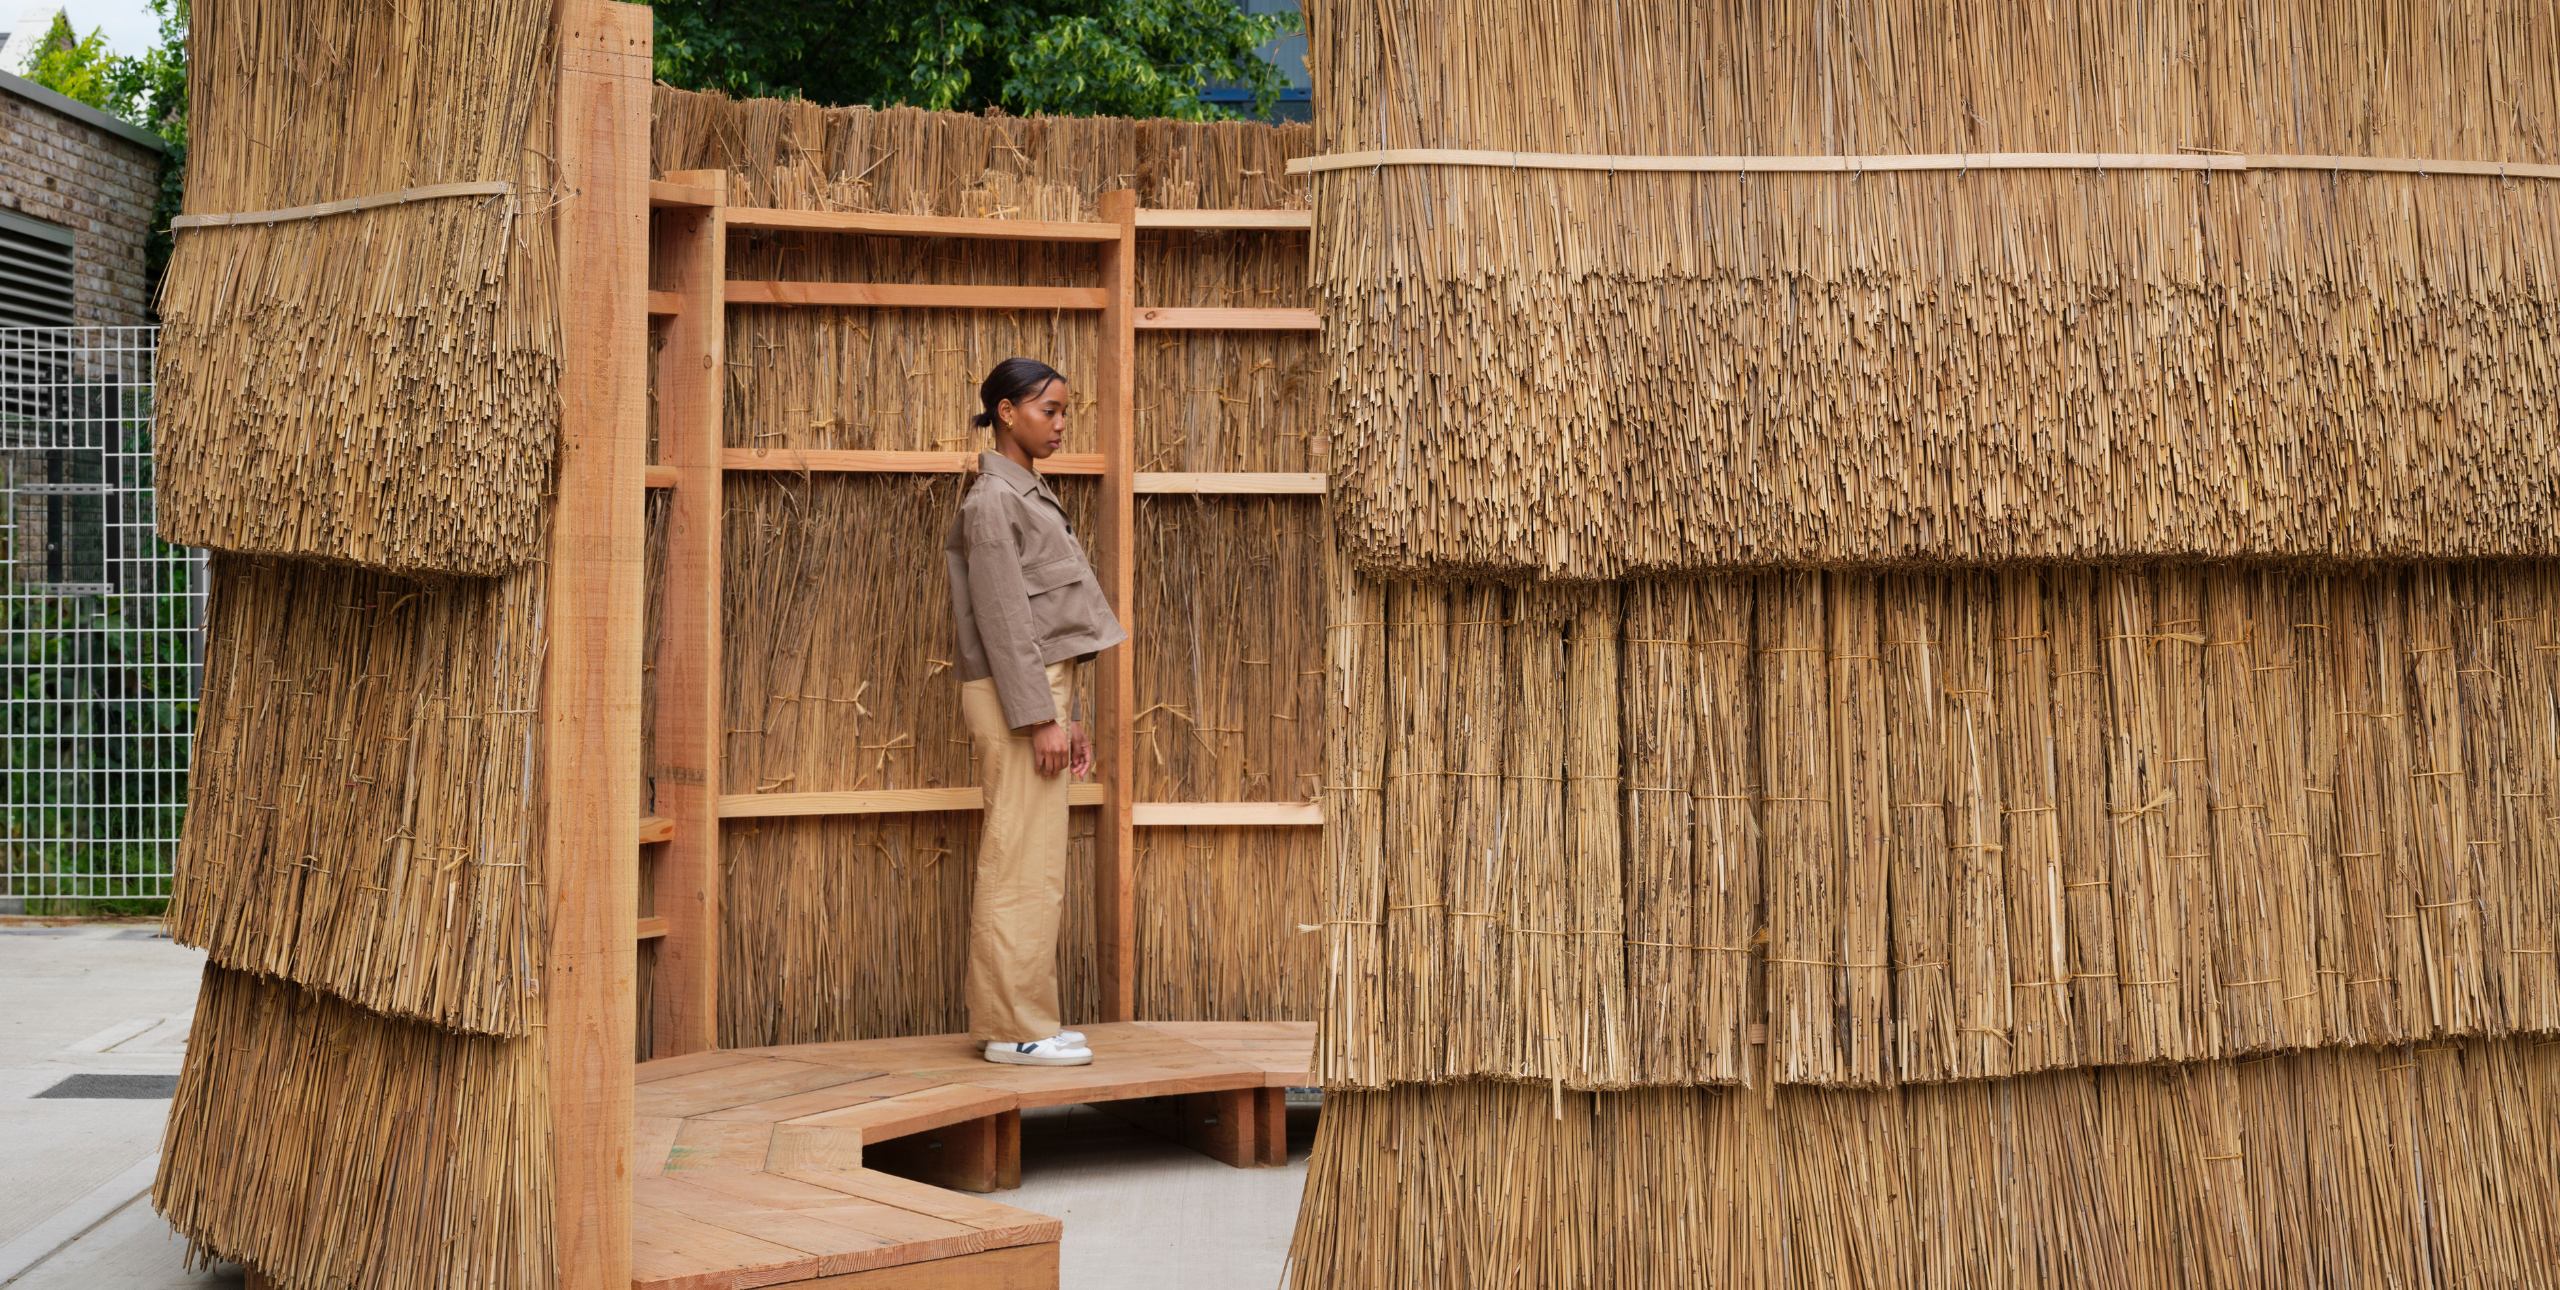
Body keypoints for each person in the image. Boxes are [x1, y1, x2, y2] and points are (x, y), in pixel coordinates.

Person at [943, 357, 1126, 1066]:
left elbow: (1044, 623)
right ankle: (1014, 1029)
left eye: (1063, 413)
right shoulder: (992, 501)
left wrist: (1065, 713)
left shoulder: (1026, 492)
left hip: (1038, 694)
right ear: (1007, 411)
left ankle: (1030, 1018)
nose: (1059, 424)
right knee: (1017, 860)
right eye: (1048, 410)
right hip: (1016, 697)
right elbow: (1002, 620)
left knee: (1038, 858)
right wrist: (1037, 717)